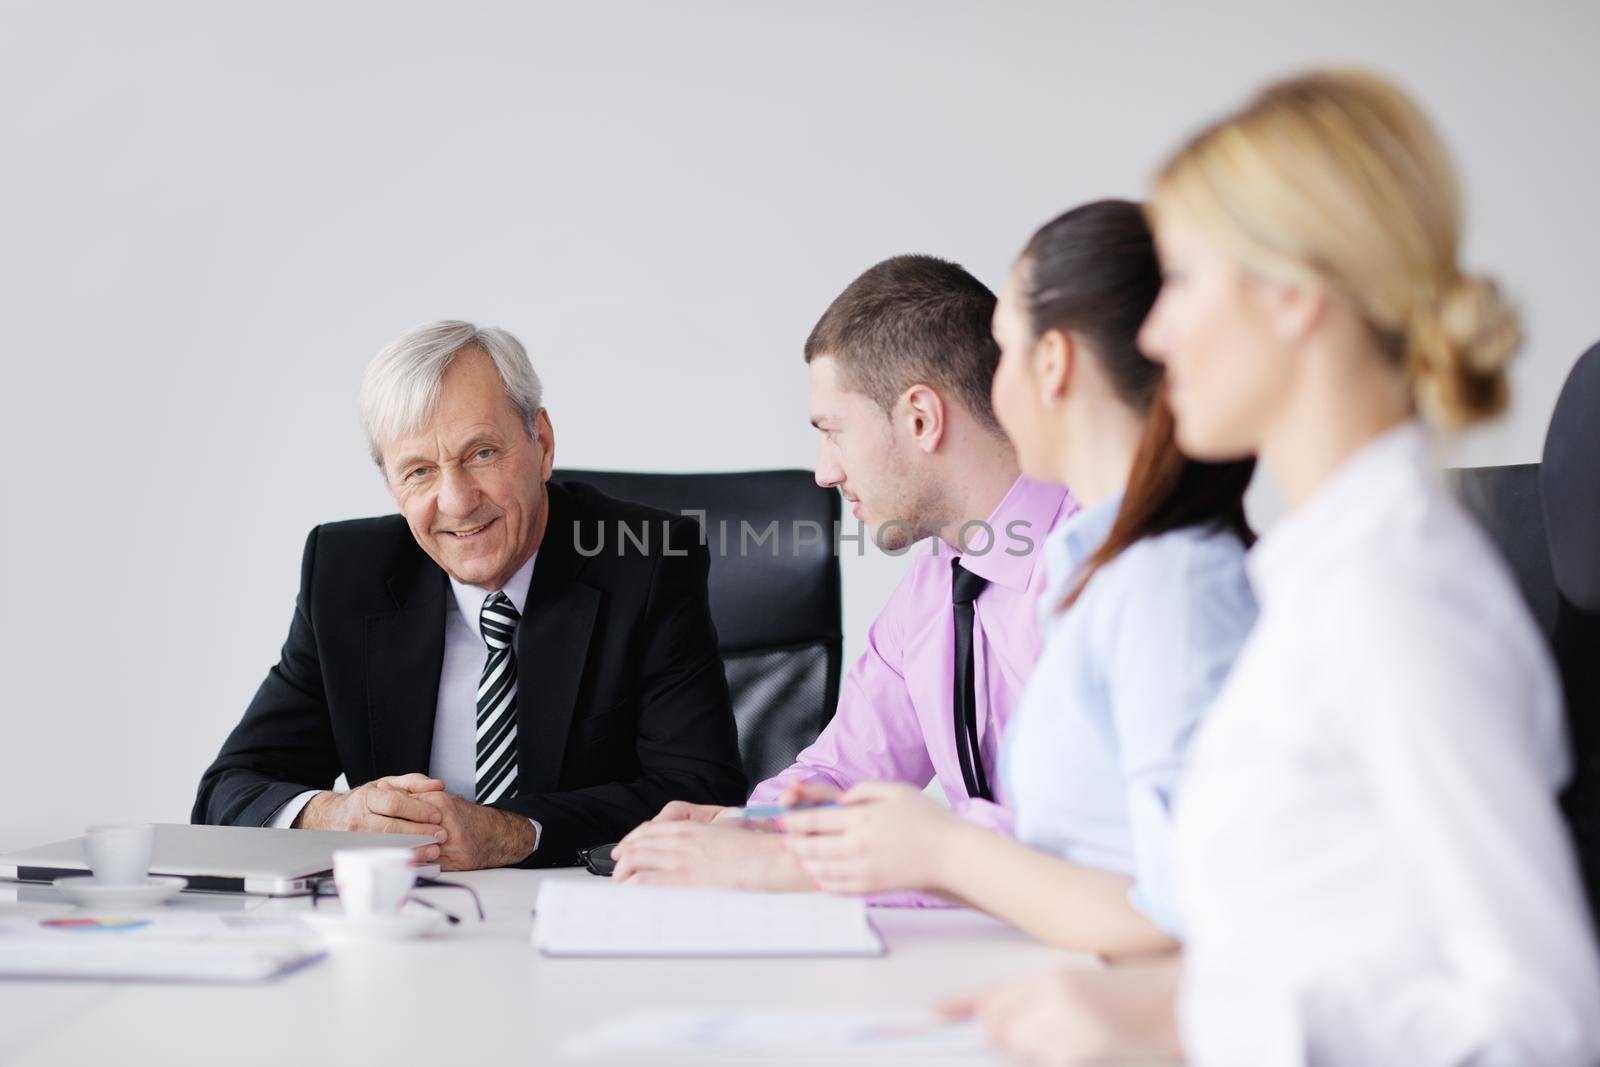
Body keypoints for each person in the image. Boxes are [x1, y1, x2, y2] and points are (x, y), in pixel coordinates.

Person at [956, 70, 1600, 1067]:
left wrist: (1190, 1022)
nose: (1156, 334)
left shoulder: (1394, 596)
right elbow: (1327, 934)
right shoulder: (1317, 574)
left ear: (1293, 293)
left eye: (1181, 281)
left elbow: (1547, 1016)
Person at [779, 200, 1257, 958]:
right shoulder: (988, 573)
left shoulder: (1154, 578)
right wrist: (767, 833)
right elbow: (843, 769)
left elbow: (1158, 881)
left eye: (1005, 352)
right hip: (1050, 969)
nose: (993, 390)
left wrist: (922, 848)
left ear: (1053, 364)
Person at [193, 321, 747, 870]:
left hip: (580, 914)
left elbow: (701, 791)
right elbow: (229, 790)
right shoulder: (345, 576)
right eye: (419, 471)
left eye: (481, 453)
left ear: (542, 444)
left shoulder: (646, 560)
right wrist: (333, 814)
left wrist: (512, 833)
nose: (456, 501)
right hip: (408, 928)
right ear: (392, 486)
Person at [611, 255, 1073, 890]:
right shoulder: (938, 583)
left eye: (833, 431)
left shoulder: (1095, 568)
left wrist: (790, 866)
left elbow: (1080, 849)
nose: (824, 472)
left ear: (920, 418)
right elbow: (843, 770)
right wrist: (750, 827)